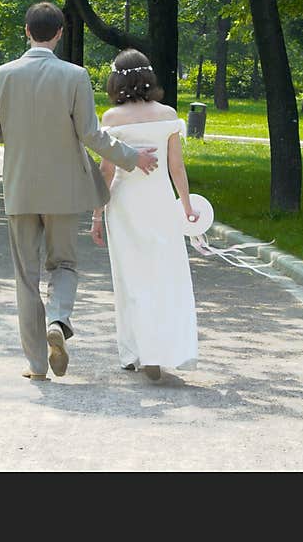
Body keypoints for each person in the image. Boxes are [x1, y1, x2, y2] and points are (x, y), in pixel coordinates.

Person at [0, 2, 159, 381]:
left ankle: (37, 365)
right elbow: (90, 134)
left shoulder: (1, 75)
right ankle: (58, 318)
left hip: (20, 189)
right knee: (64, 264)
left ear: (26, 30)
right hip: (64, 190)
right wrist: (131, 157)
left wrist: (15, 137)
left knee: (25, 276)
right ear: (60, 33)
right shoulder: (75, 76)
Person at [90, 49, 199, 382]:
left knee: (129, 277)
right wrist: (186, 206)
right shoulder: (167, 115)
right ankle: (162, 349)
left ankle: (136, 351)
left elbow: (107, 171)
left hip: (126, 202)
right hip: (159, 201)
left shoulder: (112, 119)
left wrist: (97, 214)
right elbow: (176, 167)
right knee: (165, 274)